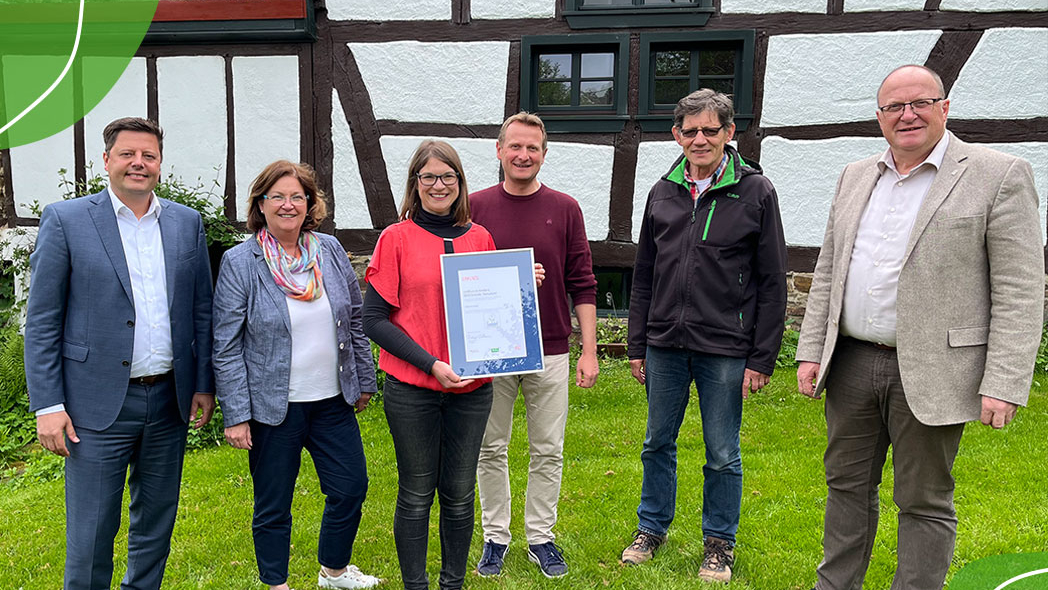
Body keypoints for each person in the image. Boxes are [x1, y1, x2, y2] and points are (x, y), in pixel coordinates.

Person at [795, 65, 1043, 590]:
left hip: (935, 364)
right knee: (845, 485)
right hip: (853, 362)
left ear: (945, 107)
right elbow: (831, 268)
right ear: (878, 117)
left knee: (924, 499)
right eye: (893, 107)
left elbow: (1020, 289)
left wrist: (1003, 381)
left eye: (921, 103)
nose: (907, 115)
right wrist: (812, 348)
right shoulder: (856, 174)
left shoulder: (998, 173)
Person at [24, 117, 215, 590]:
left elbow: (201, 311)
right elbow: (43, 319)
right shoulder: (66, 220)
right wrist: (48, 405)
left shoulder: (185, 223)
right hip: (94, 405)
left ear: (160, 164)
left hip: (168, 400)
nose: (138, 163)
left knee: (156, 525)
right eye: (128, 154)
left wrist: (204, 384)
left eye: (148, 155)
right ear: (106, 161)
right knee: (90, 533)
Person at [621, 89, 787, 583]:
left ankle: (719, 543)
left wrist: (762, 357)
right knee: (656, 443)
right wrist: (637, 344)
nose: (699, 139)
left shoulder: (757, 192)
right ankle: (651, 529)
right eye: (689, 131)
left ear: (729, 134)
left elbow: (773, 281)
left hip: (725, 348)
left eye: (710, 130)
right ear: (676, 135)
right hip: (664, 344)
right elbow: (644, 275)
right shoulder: (661, 192)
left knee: (722, 451)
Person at [364, 140, 533, 590]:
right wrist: (430, 363)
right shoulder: (395, 239)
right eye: (429, 177)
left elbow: (497, 313)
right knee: (417, 494)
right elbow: (373, 320)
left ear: (460, 184)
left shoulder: (480, 238)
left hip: (473, 391)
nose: (439, 185)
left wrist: (520, 285)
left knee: (459, 496)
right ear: (414, 184)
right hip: (412, 389)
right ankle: (416, 586)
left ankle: (452, 584)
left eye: (448, 177)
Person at [211, 160, 379, 590]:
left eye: (297, 196)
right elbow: (226, 343)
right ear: (261, 205)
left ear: (310, 204)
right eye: (277, 197)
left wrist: (363, 379)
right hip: (273, 408)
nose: (288, 205)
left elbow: (354, 320)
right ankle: (276, 584)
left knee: (350, 488)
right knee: (273, 505)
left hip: (331, 401)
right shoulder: (240, 261)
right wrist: (235, 413)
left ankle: (334, 572)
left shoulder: (330, 250)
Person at [470, 112, 598, 578]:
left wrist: (589, 350)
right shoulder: (473, 207)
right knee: (491, 446)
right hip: (492, 347)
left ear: (544, 155)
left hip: (551, 347)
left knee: (548, 448)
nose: (524, 155)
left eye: (533, 148)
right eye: (516, 146)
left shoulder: (565, 208)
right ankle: (495, 538)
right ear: (499, 150)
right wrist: (508, 276)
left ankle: (541, 537)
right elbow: (459, 279)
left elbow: (582, 282)